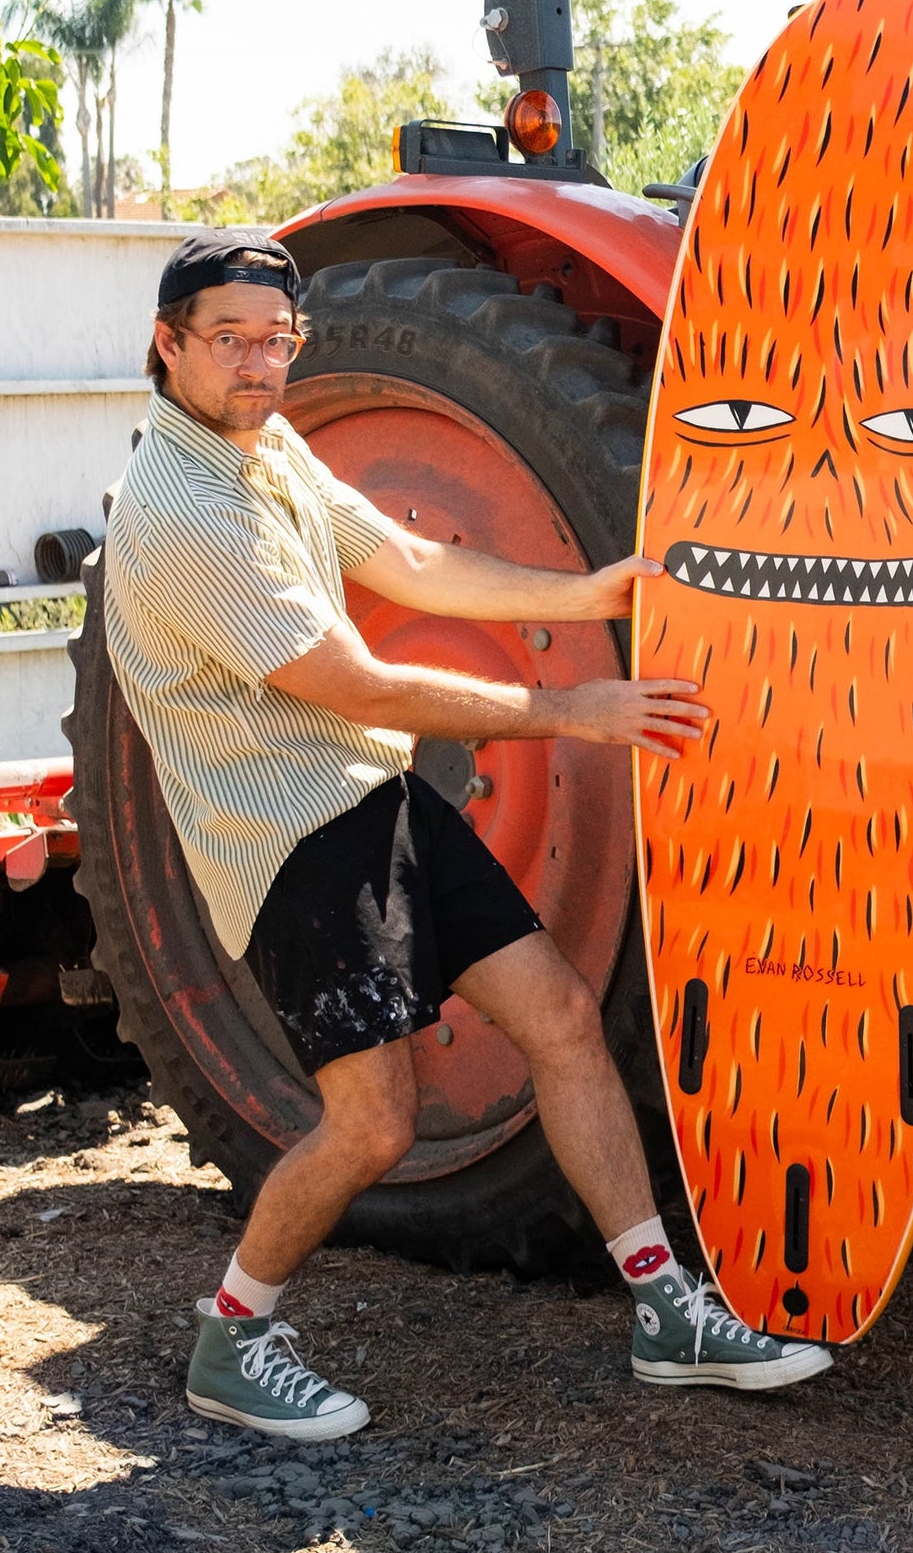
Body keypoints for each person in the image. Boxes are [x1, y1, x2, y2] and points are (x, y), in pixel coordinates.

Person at [102, 230, 831, 1442]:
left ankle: (663, 1308)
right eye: (227, 340)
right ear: (166, 345)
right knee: (373, 1124)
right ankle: (231, 1335)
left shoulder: (262, 447)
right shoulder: (183, 512)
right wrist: (567, 710)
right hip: (290, 838)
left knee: (556, 1014)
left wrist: (580, 595)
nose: (257, 363)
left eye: (277, 340)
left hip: (373, 798)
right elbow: (361, 683)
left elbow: (411, 560)